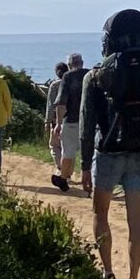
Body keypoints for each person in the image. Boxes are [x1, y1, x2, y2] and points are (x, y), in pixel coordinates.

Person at [78, 11, 140, 279]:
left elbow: (87, 125)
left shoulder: (95, 76)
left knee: (100, 213)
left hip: (108, 154)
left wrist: (84, 166)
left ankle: (107, 272)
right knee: (136, 222)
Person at [49, 50, 86, 193]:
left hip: (71, 121)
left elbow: (61, 103)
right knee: (89, 153)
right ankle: (90, 181)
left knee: (68, 152)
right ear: (82, 63)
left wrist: (58, 124)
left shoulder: (68, 77)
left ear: (69, 65)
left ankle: (64, 178)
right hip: (89, 121)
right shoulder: (90, 74)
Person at [45, 61, 69, 177]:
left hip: (56, 120)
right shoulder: (71, 84)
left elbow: (50, 105)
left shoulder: (54, 86)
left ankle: (60, 167)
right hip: (70, 119)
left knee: (54, 145)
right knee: (67, 146)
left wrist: (47, 121)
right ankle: (67, 170)